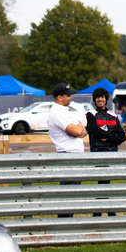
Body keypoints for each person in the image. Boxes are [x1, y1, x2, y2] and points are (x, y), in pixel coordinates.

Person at [48, 83, 87, 218]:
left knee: (73, 195)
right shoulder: (57, 112)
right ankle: (63, 224)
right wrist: (77, 131)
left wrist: (78, 131)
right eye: (68, 95)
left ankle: (67, 223)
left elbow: (83, 129)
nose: (71, 97)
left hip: (74, 156)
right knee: (68, 195)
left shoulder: (65, 110)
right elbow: (77, 130)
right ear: (59, 97)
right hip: (68, 156)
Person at [86, 87, 126, 217]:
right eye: (97, 97)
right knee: (102, 184)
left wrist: (108, 137)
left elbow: (122, 136)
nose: (100, 99)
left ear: (106, 99)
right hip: (98, 154)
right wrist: (113, 137)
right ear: (94, 100)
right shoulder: (91, 115)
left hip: (111, 154)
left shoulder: (113, 116)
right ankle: (105, 212)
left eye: (102, 97)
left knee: (106, 183)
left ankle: (101, 212)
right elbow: (95, 132)